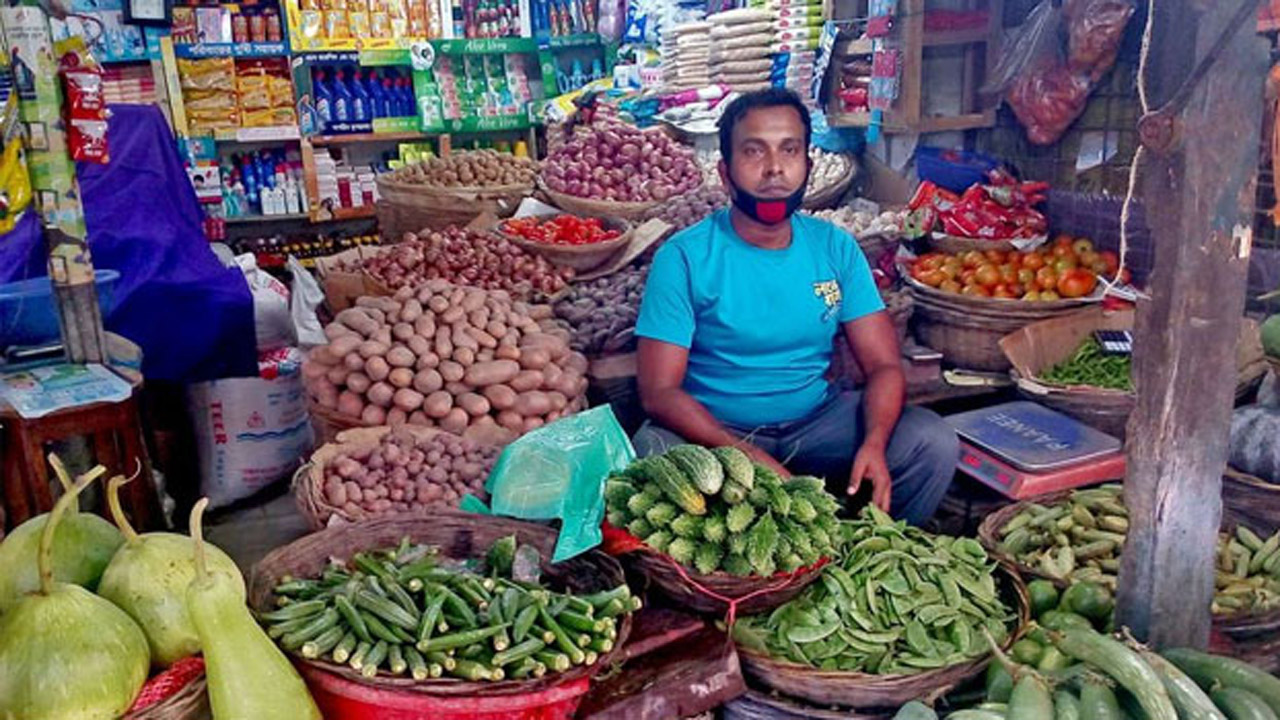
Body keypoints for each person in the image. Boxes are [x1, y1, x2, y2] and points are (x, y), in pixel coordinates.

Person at [631, 88, 958, 525]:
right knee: (652, 452)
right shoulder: (684, 257)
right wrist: (745, 456)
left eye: (790, 149)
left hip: (817, 422)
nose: (774, 169)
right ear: (725, 173)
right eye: (754, 151)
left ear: (807, 163)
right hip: (717, 432)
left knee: (930, 441)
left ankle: (868, 558)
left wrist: (874, 443)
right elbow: (659, 393)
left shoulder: (835, 247)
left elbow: (883, 364)